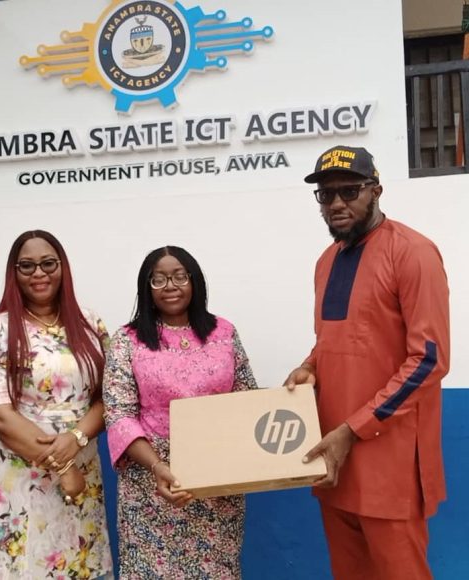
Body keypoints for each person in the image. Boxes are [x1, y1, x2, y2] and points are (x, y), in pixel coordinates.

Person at [284, 146, 450, 580]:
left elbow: (429, 361)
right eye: (326, 194)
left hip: (389, 468)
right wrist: (310, 367)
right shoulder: (326, 262)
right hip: (333, 462)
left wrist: (352, 430)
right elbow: (333, 339)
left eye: (349, 191)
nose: (336, 203)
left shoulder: (413, 252)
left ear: (376, 190)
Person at [0, 230, 113, 579]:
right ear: (14, 273)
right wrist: (63, 466)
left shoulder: (91, 323)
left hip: (81, 462)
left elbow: (109, 398)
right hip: (14, 469)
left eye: (48, 263)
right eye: (27, 266)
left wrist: (75, 438)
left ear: (63, 267)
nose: (38, 273)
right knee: (22, 561)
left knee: (76, 556)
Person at [103, 245, 258, 578]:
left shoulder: (224, 333)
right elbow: (118, 414)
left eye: (178, 277)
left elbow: (246, 399)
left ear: (194, 281)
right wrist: (158, 466)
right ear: (146, 288)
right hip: (152, 485)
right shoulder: (127, 340)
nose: (170, 286)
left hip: (218, 483)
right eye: (158, 279)